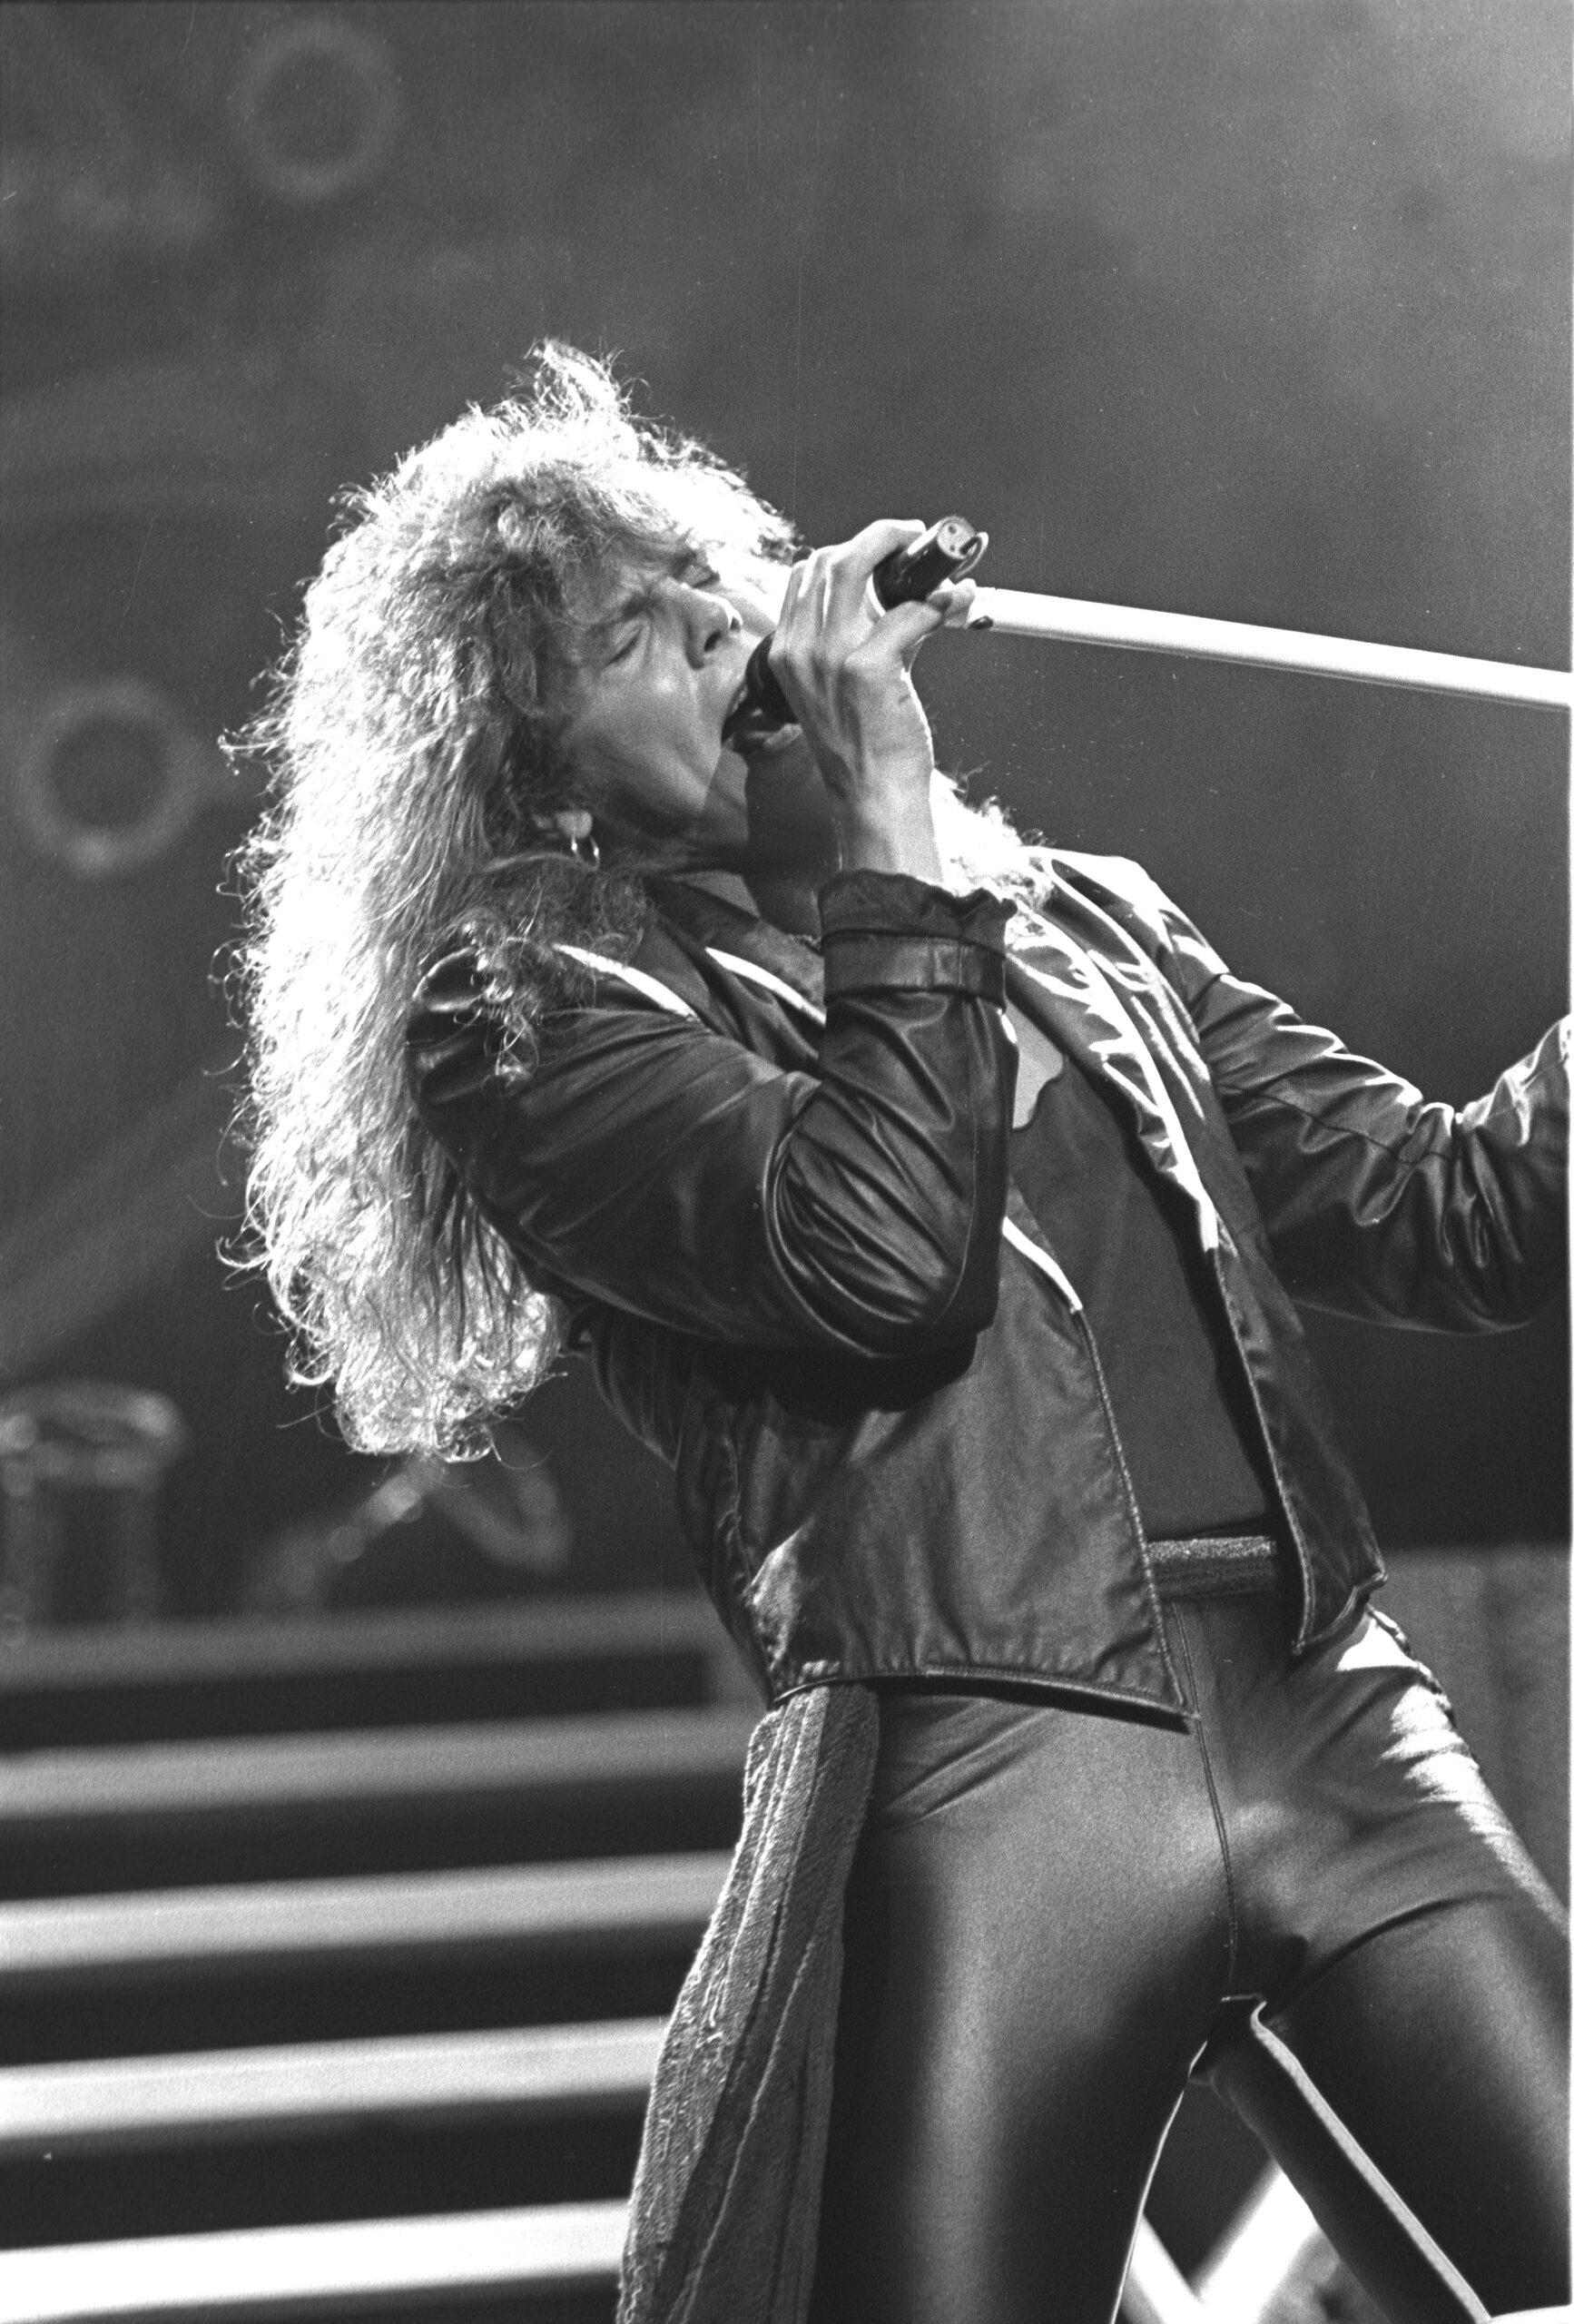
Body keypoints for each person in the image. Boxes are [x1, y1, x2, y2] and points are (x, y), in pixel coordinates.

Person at [234, 346, 1569, 2323]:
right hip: (991, 1767)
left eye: (715, 589)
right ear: (539, 783)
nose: (724, 628)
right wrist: (886, 848)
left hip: (1331, 1707)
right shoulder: (531, 1004)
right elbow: (874, 1259)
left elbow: (1461, 1214)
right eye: (637, 639)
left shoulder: (1081, 917)